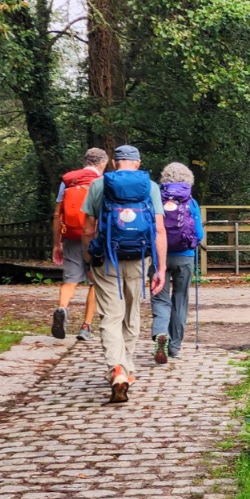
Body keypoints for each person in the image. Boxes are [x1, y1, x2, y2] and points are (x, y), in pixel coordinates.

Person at [81, 145, 167, 403]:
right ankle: (126, 367)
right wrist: (160, 268)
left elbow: (87, 228)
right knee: (132, 312)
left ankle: (116, 368)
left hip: (107, 258)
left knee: (110, 315)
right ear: (138, 163)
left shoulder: (99, 185)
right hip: (139, 258)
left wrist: (88, 260)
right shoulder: (150, 187)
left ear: (114, 163)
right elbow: (160, 229)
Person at [150, 162, 204, 363]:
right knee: (180, 300)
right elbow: (198, 234)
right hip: (185, 257)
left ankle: (161, 333)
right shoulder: (190, 202)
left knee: (160, 299)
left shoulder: (155, 200)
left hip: (159, 257)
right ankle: (174, 348)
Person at [50, 148, 106, 341]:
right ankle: (86, 326)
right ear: (103, 163)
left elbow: (58, 214)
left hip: (72, 236)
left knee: (70, 279)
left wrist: (57, 243)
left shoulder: (68, 181)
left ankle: (62, 308)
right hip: (96, 238)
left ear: (85, 161)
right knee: (95, 281)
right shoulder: (103, 182)